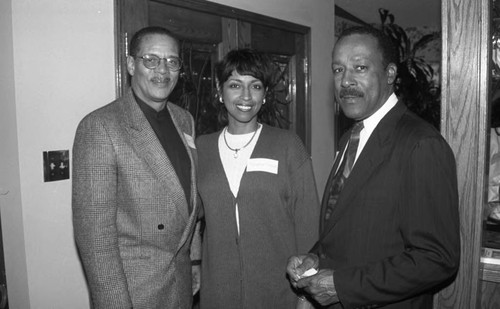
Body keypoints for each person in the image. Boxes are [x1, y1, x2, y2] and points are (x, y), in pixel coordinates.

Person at [287, 26, 460, 308]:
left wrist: (341, 286)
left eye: (360, 67)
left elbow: (436, 258)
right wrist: (315, 257)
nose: (346, 81)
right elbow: (345, 222)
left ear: (390, 74)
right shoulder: (349, 138)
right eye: (338, 69)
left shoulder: (420, 144)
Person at [72, 26, 201, 309]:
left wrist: (193, 259)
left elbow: (188, 202)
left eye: (172, 61)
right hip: (134, 291)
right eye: (151, 60)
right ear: (131, 65)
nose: (163, 70)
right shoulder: (100, 127)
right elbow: (96, 242)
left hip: (179, 283)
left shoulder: (184, 120)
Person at [196, 48, 320, 309]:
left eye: (255, 86)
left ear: (264, 95)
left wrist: (306, 295)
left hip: (280, 292)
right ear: (220, 91)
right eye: (234, 85)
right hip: (219, 292)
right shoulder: (201, 149)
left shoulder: (287, 145)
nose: (245, 96)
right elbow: (190, 219)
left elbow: (309, 225)